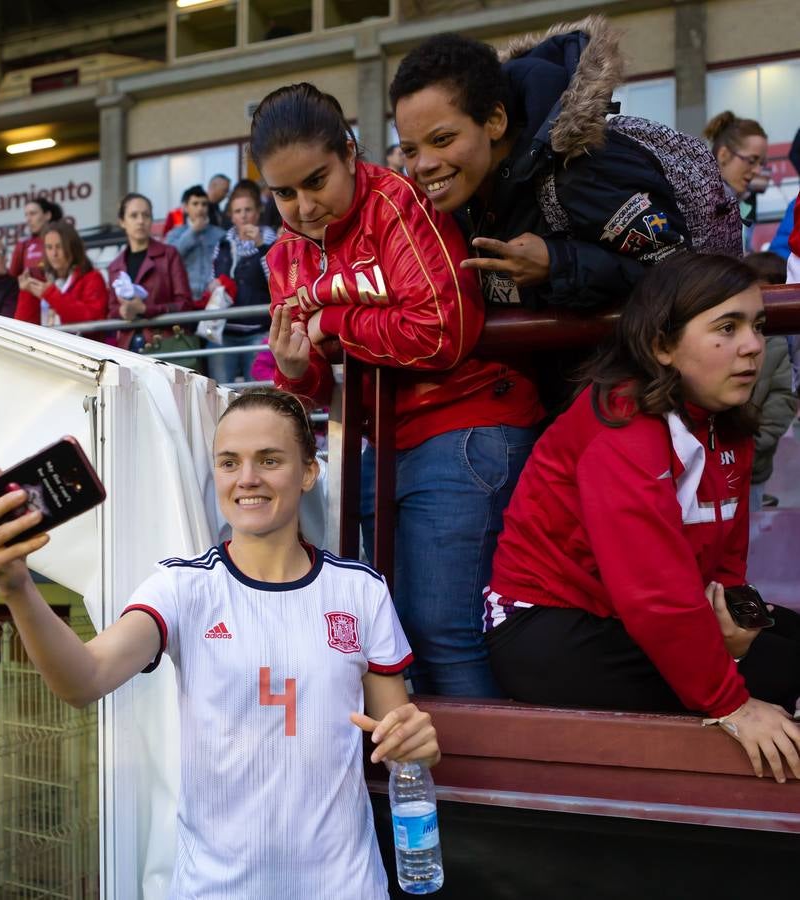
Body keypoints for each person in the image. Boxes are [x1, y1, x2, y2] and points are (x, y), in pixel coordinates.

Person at [0, 387, 439, 898]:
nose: (247, 478)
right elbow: (85, 679)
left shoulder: (360, 589)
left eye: (270, 459)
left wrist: (414, 745)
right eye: (229, 461)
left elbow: (399, 744)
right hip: (216, 889)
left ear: (307, 472)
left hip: (345, 886)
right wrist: (16, 585)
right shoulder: (182, 587)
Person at [254, 82, 544, 697]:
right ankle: (423, 781)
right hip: (380, 447)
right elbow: (307, 390)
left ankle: (482, 795)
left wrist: (331, 322)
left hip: (468, 425)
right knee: (392, 635)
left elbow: (444, 331)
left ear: (350, 153)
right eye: (284, 192)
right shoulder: (283, 257)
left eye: (316, 180)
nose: (303, 205)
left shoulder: (398, 202)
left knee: (445, 629)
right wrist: (291, 366)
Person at [483, 253, 800, 780]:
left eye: (758, 327)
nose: (751, 346)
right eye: (727, 327)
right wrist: (732, 703)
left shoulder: (727, 425)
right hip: (547, 626)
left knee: (788, 638)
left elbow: (725, 568)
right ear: (661, 346)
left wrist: (735, 626)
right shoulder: (623, 426)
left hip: (627, 616)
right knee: (779, 670)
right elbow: (655, 594)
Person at [389, 26, 694, 312]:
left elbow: (679, 274)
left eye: (442, 139)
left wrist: (558, 262)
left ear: (495, 121)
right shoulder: (456, 200)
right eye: (410, 150)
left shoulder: (581, 167)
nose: (423, 165)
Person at [742, 252, 798, 510]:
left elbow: (783, 398)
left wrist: (752, 446)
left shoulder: (776, 345)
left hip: (754, 465)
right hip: (720, 460)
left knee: (748, 528)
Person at [208, 181, 278, 383]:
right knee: (221, 391)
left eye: (248, 209)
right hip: (223, 332)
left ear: (258, 212)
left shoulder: (272, 243)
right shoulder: (222, 244)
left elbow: (276, 281)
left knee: (257, 394)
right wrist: (212, 286)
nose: (244, 215)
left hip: (258, 331)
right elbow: (212, 277)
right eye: (238, 211)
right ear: (231, 216)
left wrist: (261, 245)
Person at [106, 192, 192, 352]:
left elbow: (185, 304)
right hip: (128, 347)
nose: (140, 221)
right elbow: (111, 310)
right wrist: (122, 311)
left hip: (166, 344)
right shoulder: (114, 266)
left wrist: (145, 310)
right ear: (122, 222)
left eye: (146, 215)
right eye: (134, 215)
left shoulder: (169, 254)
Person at [15, 220, 108, 334]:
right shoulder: (43, 279)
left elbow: (92, 319)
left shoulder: (93, 278)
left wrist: (51, 294)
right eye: (49, 247)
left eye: (59, 247)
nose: (54, 254)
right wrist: (27, 294)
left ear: (73, 248)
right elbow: (24, 326)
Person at [704, 111, 768, 250]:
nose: (758, 171)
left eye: (761, 163)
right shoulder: (701, 207)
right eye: (751, 160)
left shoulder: (735, 205)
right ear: (724, 155)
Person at [166, 184, 226, 300]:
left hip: (214, 297)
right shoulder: (174, 234)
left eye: (204, 204)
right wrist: (192, 232)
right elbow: (171, 258)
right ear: (185, 207)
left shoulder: (220, 234)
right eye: (195, 204)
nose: (200, 208)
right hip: (185, 297)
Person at [9, 198, 63, 280]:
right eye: (26, 215)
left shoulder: (62, 239)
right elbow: (12, 278)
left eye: (33, 214)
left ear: (47, 215)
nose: (28, 219)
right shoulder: (23, 244)